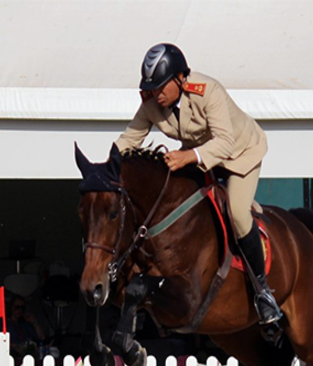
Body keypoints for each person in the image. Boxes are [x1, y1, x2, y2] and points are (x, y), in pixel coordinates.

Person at [115, 43, 281, 326]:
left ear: (180, 78)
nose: (156, 94)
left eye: (160, 87)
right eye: (151, 88)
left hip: (240, 155)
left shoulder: (208, 91)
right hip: (201, 159)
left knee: (239, 214)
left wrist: (188, 156)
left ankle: (263, 293)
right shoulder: (153, 103)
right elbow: (129, 141)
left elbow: (225, 142)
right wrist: (104, 171)